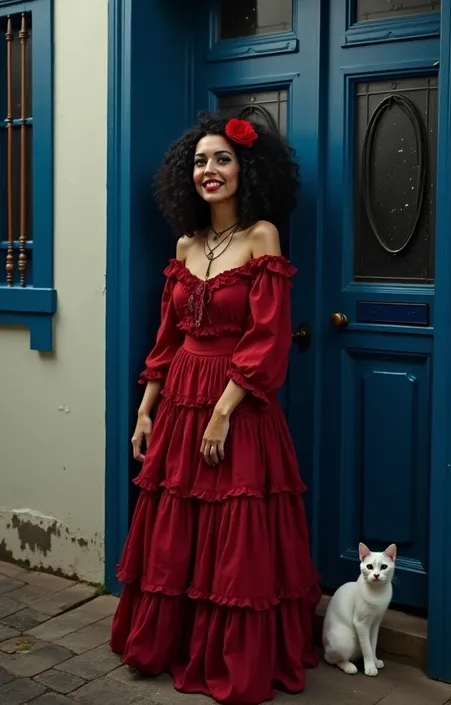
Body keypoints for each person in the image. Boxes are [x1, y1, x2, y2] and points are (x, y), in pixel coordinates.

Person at [110, 111, 321, 705]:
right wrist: (146, 410)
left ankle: (230, 656)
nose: (210, 170)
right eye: (200, 160)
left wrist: (224, 411)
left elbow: (267, 338)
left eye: (222, 159)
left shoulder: (262, 237)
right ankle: (175, 644)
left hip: (240, 406)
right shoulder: (185, 243)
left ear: (245, 169)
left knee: (236, 531)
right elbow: (167, 338)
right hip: (179, 401)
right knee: (179, 527)